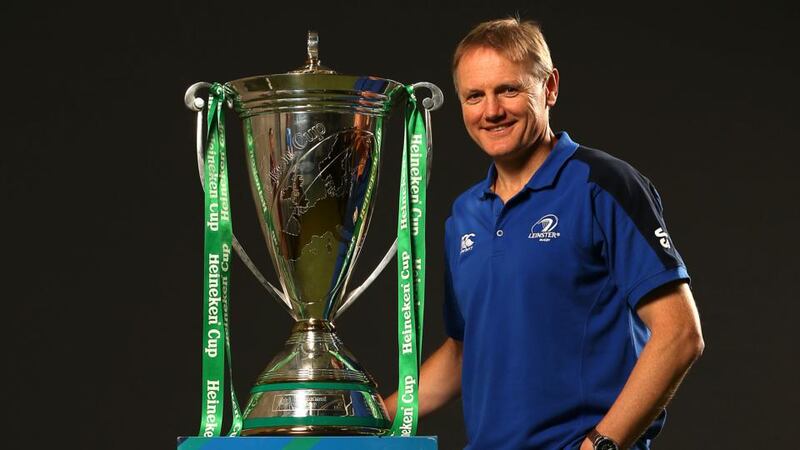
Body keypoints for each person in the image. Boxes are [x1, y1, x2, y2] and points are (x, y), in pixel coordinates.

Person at [385, 17, 704, 450]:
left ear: (549, 87)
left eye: (508, 90)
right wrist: (375, 415)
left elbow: (680, 333)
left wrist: (600, 445)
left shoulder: (603, 184)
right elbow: (464, 351)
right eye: (474, 96)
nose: (491, 111)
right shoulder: (464, 214)